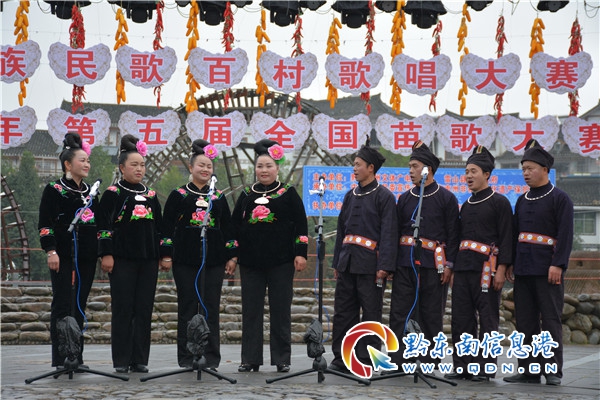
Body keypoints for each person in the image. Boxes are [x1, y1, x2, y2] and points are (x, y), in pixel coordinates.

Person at [230, 139, 308, 373]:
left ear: (277, 168)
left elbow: (301, 225)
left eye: (268, 166)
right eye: (260, 166)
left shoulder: (289, 193)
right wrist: (233, 255)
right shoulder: (246, 194)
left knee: (281, 311)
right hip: (251, 262)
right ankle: (250, 359)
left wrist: (301, 253)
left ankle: (282, 359)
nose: (264, 170)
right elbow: (234, 227)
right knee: (251, 311)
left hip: (281, 262)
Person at [97, 134, 171, 374]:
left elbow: (161, 228)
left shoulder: (151, 195)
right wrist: (106, 254)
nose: (139, 169)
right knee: (123, 308)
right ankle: (121, 359)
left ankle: (139, 359)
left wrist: (165, 254)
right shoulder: (112, 193)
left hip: (148, 260)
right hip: (122, 260)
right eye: (134, 165)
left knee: (143, 309)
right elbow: (103, 226)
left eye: (142, 165)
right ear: (122, 167)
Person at [503, 139, 573, 386]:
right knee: (525, 321)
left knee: (550, 320)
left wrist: (558, 264)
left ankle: (552, 370)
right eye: (523, 169)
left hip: (547, 269)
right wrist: (511, 262)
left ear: (544, 169)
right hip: (523, 269)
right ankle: (529, 370)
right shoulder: (522, 200)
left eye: (530, 168)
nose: (526, 173)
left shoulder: (560, 199)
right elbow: (515, 234)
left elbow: (565, 234)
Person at [162, 139, 236, 370]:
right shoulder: (179, 194)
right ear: (191, 167)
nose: (205, 169)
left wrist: (232, 256)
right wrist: (166, 254)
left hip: (213, 260)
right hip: (185, 260)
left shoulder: (218, 196)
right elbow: (166, 227)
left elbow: (228, 228)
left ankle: (210, 357)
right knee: (187, 307)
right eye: (201, 165)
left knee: (210, 308)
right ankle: (187, 357)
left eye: (209, 166)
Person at [328, 139, 398, 373]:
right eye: (354, 164)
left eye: (358, 164)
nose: (354, 168)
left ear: (371, 168)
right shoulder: (350, 195)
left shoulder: (384, 196)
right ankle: (341, 358)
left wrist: (385, 265)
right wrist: (337, 262)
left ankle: (366, 358)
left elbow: (389, 233)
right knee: (343, 312)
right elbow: (342, 231)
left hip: (371, 266)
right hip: (347, 263)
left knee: (370, 313)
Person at [388, 140, 459, 369]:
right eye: (409, 166)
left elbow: (453, 235)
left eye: (415, 166)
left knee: (430, 313)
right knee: (400, 310)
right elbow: (395, 233)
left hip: (433, 265)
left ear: (427, 169)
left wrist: (450, 265)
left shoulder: (446, 198)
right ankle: (399, 359)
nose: (410, 171)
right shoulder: (405, 198)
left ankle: (429, 360)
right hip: (405, 263)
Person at [445, 146, 513, 382]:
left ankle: (485, 368)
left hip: (487, 270)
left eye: (473, 171)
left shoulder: (500, 203)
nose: (468, 176)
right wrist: (453, 269)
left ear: (486, 174)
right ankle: (462, 365)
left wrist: (502, 268)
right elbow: (457, 239)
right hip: (463, 269)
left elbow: (506, 237)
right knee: (461, 319)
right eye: (466, 172)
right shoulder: (466, 205)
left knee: (488, 319)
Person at [38, 133, 97, 370]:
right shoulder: (54, 189)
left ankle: (76, 356)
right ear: (68, 164)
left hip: (86, 257)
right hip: (62, 255)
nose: (86, 164)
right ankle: (61, 357)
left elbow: (99, 224)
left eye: (87, 161)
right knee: (62, 304)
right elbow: (45, 223)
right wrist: (50, 251)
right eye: (82, 160)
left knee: (79, 304)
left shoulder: (91, 193)